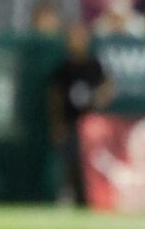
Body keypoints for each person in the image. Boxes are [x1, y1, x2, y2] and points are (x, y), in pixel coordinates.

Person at [48, 22, 115, 206]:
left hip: (91, 126)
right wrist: (58, 124)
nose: (76, 41)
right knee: (70, 161)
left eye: (79, 37)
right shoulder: (64, 68)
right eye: (72, 37)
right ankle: (69, 194)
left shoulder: (94, 65)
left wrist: (100, 96)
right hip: (71, 122)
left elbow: (108, 86)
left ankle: (92, 196)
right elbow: (55, 98)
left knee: (93, 162)